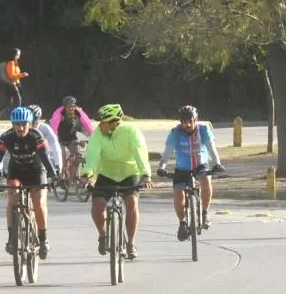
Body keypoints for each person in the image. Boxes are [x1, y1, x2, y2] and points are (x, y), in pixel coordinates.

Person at [79, 103, 154, 260]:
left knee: (132, 202)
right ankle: (103, 235)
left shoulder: (131, 131)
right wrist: (87, 174)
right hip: (107, 173)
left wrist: (145, 175)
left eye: (103, 122)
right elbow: (92, 155)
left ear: (114, 122)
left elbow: (139, 152)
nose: (99, 125)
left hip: (129, 172)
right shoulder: (98, 134)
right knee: (98, 204)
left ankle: (131, 243)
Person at [0, 107, 58, 259]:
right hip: (16, 171)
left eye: (24, 124)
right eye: (17, 124)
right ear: (12, 124)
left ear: (30, 124)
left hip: (36, 171)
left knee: (38, 203)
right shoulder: (7, 136)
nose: (21, 127)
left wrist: (53, 175)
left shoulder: (36, 135)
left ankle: (43, 239)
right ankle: (12, 238)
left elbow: (44, 157)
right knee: (12, 199)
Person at [156, 105, 226, 241]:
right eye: (183, 122)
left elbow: (212, 149)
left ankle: (205, 213)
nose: (186, 125)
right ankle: (182, 223)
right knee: (178, 192)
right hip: (182, 167)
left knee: (206, 181)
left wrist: (217, 163)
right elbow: (167, 153)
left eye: (189, 121)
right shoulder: (175, 132)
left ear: (195, 120)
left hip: (200, 164)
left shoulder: (204, 129)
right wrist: (162, 167)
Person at [26, 104, 63, 177]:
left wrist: (58, 165)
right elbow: (8, 150)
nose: (30, 125)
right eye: (28, 122)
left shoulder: (45, 128)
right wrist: (1, 168)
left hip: (41, 162)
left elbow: (55, 145)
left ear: (38, 119)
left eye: (33, 122)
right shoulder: (21, 129)